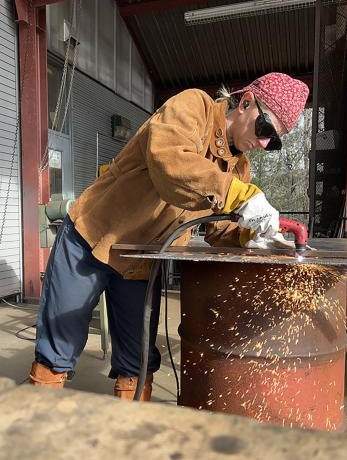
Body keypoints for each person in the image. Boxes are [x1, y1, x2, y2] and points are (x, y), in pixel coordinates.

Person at [29, 72, 309, 400]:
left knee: (138, 361)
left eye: (273, 141)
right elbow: (169, 162)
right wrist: (234, 193)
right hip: (91, 239)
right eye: (265, 130)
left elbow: (219, 230)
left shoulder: (238, 169)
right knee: (57, 352)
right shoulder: (194, 107)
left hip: (139, 262)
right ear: (246, 102)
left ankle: (130, 436)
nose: (263, 143)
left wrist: (251, 237)